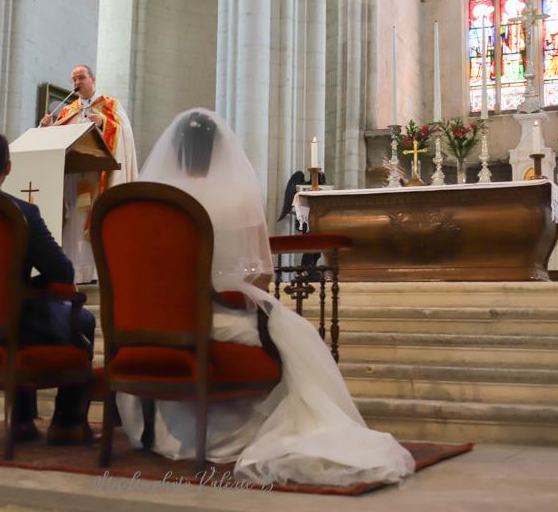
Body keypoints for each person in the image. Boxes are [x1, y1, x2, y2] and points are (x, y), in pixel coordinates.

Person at [116, 108, 415, 487]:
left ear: (173, 148)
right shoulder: (236, 195)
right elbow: (261, 273)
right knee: (293, 335)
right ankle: (256, 431)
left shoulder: (149, 201)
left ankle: (158, 432)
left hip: (147, 323)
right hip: (214, 317)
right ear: (219, 149)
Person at [0, 130, 96, 444]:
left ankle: (23, 420)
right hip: (9, 322)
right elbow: (62, 272)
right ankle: (65, 424)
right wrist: (26, 283)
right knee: (84, 320)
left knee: (23, 304)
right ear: (8, 168)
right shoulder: (20, 212)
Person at [39, 64, 137, 282]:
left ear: (93, 79)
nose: (76, 83)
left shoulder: (110, 105)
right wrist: (48, 129)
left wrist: (103, 123)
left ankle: (94, 271)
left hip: (98, 175)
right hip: (75, 175)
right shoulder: (68, 110)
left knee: (93, 217)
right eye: (74, 79)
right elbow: (59, 141)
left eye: (81, 78)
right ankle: (74, 270)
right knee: (74, 219)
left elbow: (125, 134)